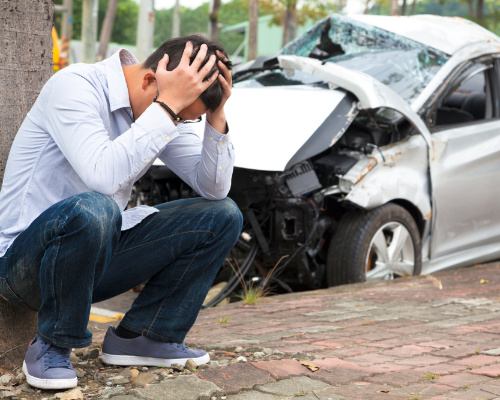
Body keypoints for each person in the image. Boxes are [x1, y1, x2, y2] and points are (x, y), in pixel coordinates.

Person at [0, 35, 242, 390]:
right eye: (179, 115)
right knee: (96, 207)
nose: (176, 123)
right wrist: (168, 107)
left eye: (185, 119)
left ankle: (145, 335)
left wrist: (215, 114)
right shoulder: (76, 86)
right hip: (24, 267)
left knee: (222, 215)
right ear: (149, 80)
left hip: (91, 262)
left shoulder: (162, 106)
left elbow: (215, 188)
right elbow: (103, 177)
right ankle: (53, 345)